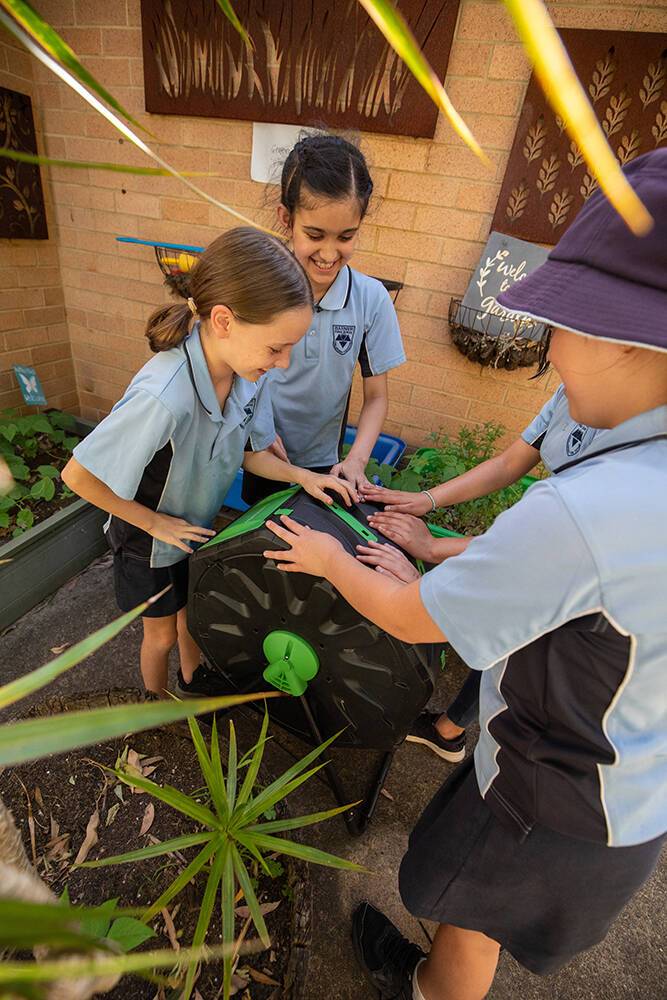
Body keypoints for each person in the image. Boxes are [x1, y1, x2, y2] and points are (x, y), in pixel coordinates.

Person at [261, 150, 667, 1000]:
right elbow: (592, 591)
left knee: (465, 898)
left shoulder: (583, 514)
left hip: (547, 794)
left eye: (567, 326)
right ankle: (433, 975)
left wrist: (335, 558)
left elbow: (413, 620)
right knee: (470, 921)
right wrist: (447, 542)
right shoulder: (633, 475)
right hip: (626, 787)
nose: (550, 350)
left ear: (632, 341)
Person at [62, 227, 352, 698]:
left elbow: (253, 455)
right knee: (158, 635)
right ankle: (154, 708)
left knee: (191, 613)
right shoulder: (163, 395)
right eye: (276, 347)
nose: (283, 363)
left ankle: (194, 680)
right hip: (146, 538)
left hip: (190, 524)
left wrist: (303, 477)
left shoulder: (247, 374)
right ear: (223, 320)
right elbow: (78, 475)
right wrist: (155, 523)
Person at [360, 383, 605, 762]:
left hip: (575, 574)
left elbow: (551, 547)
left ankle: (467, 737)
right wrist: (426, 499)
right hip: (543, 547)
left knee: (521, 650)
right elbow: (509, 464)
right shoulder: (571, 387)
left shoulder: (641, 448)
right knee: (506, 637)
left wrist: (433, 551)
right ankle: (449, 731)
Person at [241, 133, 405, 506]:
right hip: (263, 457)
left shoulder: (371, 299)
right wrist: (257, 428)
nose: (329, 253)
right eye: (315, 235)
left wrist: (357, 460)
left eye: (346, 236)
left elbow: (377, 397)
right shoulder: (258, 287)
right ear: (287, 218)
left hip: (327, 465)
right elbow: (232, 372)